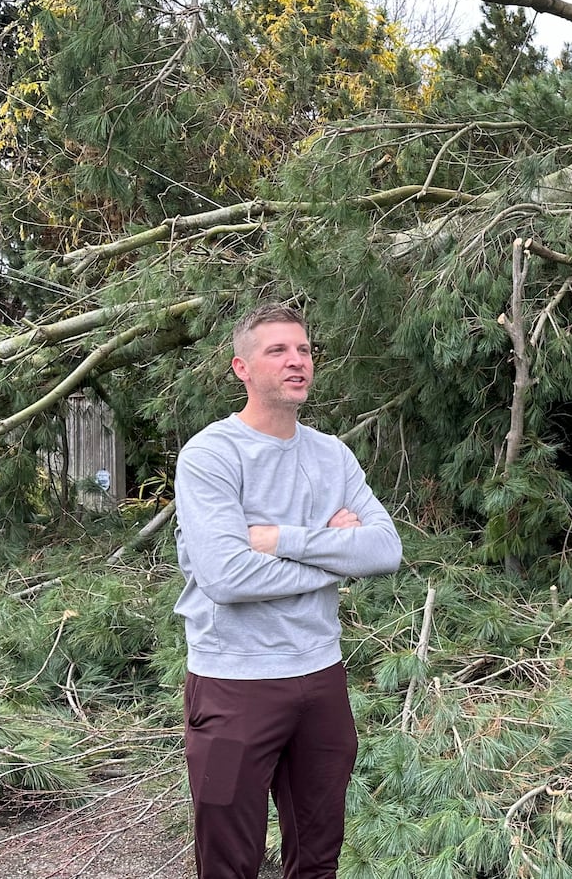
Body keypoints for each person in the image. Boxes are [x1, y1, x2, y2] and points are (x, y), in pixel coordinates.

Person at [173, 303, 403, 879]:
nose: (296, 362)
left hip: (321, 683)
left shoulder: (332, 455)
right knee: (229, 863)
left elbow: (384, 550)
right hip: (232, 687)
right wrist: (332, 557)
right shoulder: (211, 456)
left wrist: (278, 539)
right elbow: (226, 578)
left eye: (303, 350)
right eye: (277, 351)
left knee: (318, 859)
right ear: (241, 368)